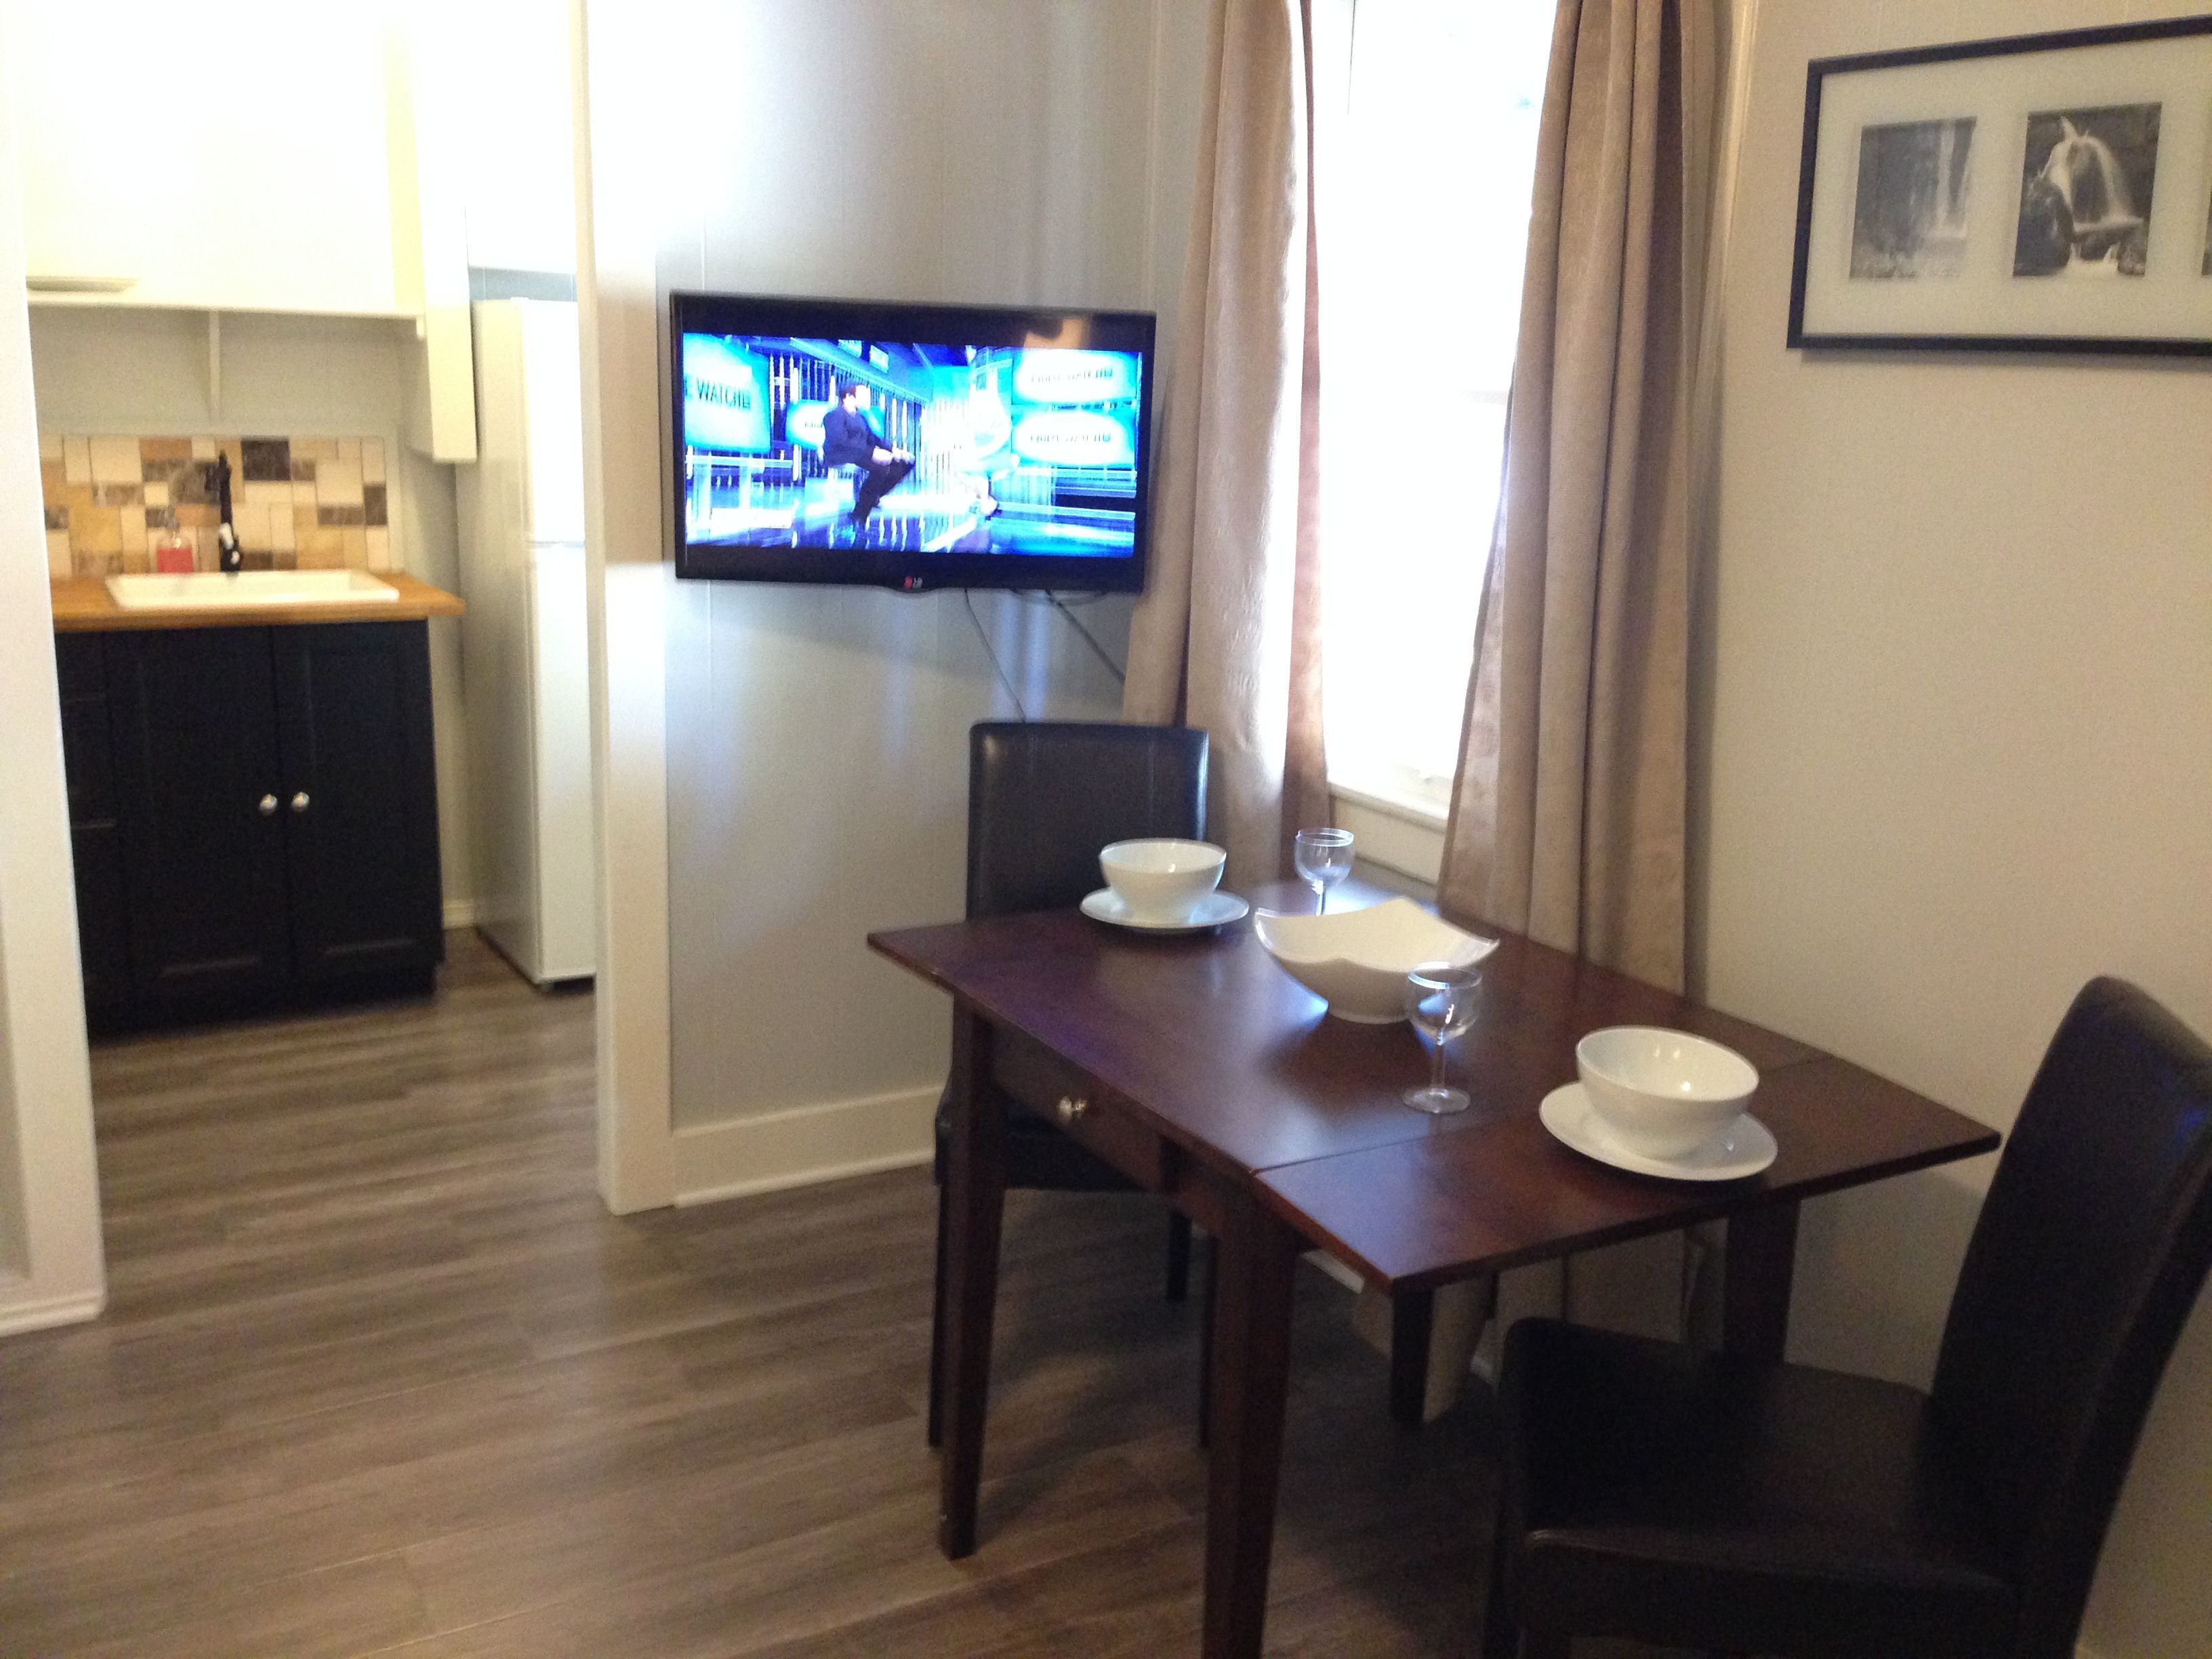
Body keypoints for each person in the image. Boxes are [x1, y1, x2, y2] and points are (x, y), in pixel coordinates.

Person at [820, 382, 913, 534]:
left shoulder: (860, 417)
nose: (866, 398)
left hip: (861, 453)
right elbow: (841, 442)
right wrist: (872, 454)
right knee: (881, 469)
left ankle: (871, 498)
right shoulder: (834, 416)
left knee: (903, 463)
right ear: (848, 396)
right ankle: (860, 513)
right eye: (863, 395)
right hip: (841, 454)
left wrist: (894, 450)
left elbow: (873, 438)